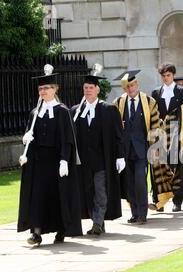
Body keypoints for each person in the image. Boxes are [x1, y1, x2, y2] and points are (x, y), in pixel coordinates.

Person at [18, 65, 82, 246]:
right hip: (39, 163)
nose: (43, 91)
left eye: (46, 88)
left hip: (56, 160)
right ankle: (36, 233)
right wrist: (26, 142)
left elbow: (67, 138)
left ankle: (61, 229)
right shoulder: (35, 113)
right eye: (40, 89)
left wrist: (64, 160)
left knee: (57, 196)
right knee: (37, 197)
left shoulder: (63, 111)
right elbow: (31, 136)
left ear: (55, 89)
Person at [71, 67, 125, 236]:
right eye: (85, 88)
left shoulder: (108, 110)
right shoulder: (76, 111)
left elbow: (118, 135)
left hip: (102, 160)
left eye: (91, 88)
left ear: (97, 90)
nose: (88, 90)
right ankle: (98, 221)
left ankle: (97, 223)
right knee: (88, 192)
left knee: (100, 191)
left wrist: (120, 156)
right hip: (84, 162)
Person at [113, 70, 163, 225]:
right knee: (129, 183)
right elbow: (114, 127)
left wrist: (155, 147)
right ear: (124, 88)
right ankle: (134, 213)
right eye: (127, 86)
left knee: (140, 181)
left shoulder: (149, 102)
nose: (130, 88)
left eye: (132, 85)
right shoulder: (118, 103)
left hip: (142, 149)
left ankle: (142, 213)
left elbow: (155, 125)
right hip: (125, 150)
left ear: (137, 84)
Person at [150, 63, 183, 212]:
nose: (166, 78)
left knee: (177, 170)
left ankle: (177, 201)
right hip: (161, 135)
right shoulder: (156, 92)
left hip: (177, 135)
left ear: (173, 75)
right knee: (158, 167)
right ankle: (159, 201)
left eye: (168, 75)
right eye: (163, 75)